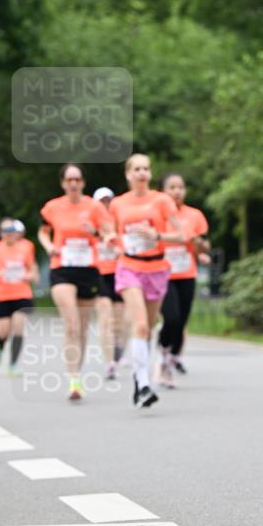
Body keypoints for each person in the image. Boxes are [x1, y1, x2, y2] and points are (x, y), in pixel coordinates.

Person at [107, 153, 184, 408]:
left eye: (146, 169)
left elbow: (181, 235)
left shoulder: (162, 200)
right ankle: (143, 384)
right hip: (129, 267)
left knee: (148, 328)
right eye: (137, 169)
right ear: (128, 174)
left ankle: (140, 376)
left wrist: (156, 235)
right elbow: (112, 232)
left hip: (157, 268)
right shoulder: (118, 204)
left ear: (150, 174)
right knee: (140, 325)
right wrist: (110, 241)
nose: (142, 173)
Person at [38, 164, 110, 400]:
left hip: (88, 269)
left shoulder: (94, 207)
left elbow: (109, 234)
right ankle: (73, 380)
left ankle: (77, 373)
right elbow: (42, 231)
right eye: (69, 179)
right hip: (62, 268)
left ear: (83, 183)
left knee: (82, 326)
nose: (73, 183)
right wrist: (49, 246)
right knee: (71, 324)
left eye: (77, 179)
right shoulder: (53, 207)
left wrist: (96, 233)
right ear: (63, 183)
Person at [155, 172, 210, 387]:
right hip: (163, 274)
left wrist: (200, 249)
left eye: (180, 187)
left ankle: (171, 358)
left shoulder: (194, 215)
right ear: (162, 191)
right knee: (172, 318)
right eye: (172, 187)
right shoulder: (157, 216)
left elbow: (204, 245)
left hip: (187, 274)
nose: (177, 191)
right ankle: (162, 354)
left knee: (182, 323)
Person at [0, 218, 39, 375]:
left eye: (12, 231)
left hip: (21, 293)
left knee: (18, 328)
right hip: (1, 296)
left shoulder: (26, 247)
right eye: (6, 232)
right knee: (4, 330)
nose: (9, 234)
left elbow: (32, 267)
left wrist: (31, 275)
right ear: (1, 233)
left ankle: (13, 365)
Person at [92, 187, 127, 381]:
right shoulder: (90, 222)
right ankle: (109, 363)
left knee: (120, 320)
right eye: (101, 201)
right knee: (105, 318)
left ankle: (118, 352)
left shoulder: (119, 221)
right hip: (99, 274)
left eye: (108, 201)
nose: (105, 205)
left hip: (120, 273)